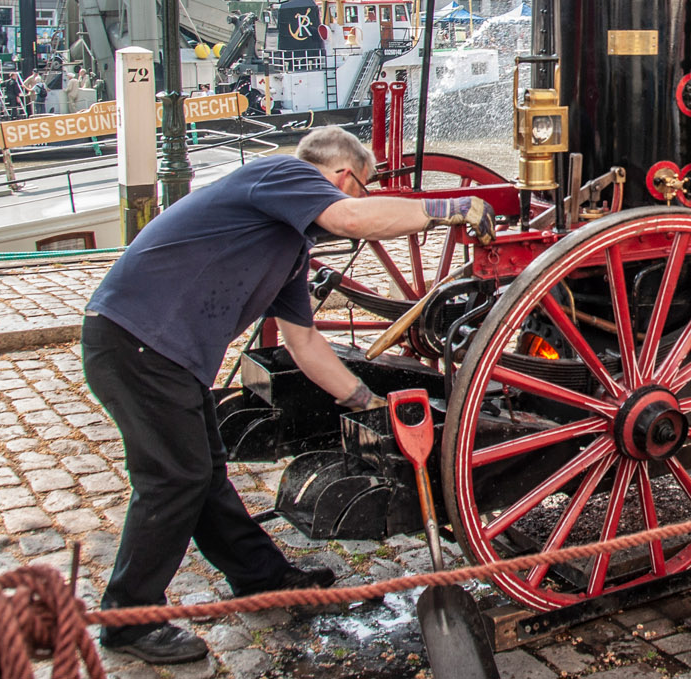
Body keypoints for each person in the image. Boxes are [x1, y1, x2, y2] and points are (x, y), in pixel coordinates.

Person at [82, 127, 496, 663]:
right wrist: (451, 207)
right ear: (345, 177)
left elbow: (303, 343)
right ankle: (128, 618)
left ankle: (262, 579)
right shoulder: (286, 173)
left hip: (155, 353)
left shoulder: (285, 245)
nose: (358, 200)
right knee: (174, 479)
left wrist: (362, 401)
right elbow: (350, 219)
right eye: (363, 188)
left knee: (202, 474)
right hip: (138, 343)